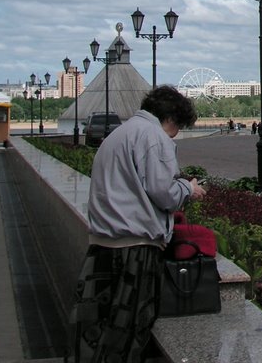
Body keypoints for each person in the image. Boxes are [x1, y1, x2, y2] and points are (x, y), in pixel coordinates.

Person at [70, 86, 205, 362]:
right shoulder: (154, 136)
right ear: (172, 119)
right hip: (135, 250)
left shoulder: (118, 134)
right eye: (178, 127)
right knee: (128, 331)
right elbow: (163, 193)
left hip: (102, 245)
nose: (176, 134)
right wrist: (188, 189)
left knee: (95, 332)